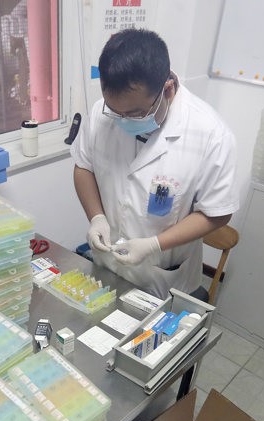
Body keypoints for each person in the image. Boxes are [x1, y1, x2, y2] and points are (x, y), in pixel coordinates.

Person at [71, 29, 238, 300]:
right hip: (108, 267)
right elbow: (83, 166)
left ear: (167, 89)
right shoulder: (101, 113)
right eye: (115, 111)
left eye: (135, 113)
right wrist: (96, 217)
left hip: (162, 278)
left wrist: (153, 245)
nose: (122, 120)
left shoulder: (211, 135)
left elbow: (217, 213)